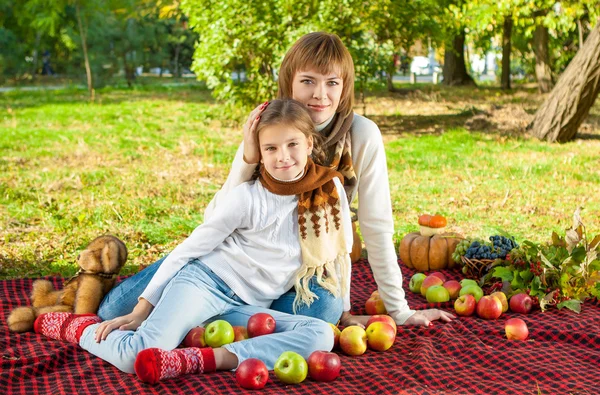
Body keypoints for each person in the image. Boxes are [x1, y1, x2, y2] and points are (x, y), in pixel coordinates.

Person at [97, 31, 454, 328]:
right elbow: (215, 220)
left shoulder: (362, 134)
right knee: (112, 311)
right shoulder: (269, 127)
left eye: (332, 82)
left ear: (344, 87)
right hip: (236, 262)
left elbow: (377, 226)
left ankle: (206, 318)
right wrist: (248, 159)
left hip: (304, 269)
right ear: (289, 83)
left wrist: (398, 309)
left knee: (324, 312)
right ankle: (222, 314)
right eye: (308, 81)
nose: (320, 94)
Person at [33, 99, 359, 384]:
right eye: (270, 148)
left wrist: (344, 311)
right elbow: (188, 251)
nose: (283, 156)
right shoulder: (246, 199)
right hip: (203, 284)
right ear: (258, 152)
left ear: (309, 143)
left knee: (318, 334)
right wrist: (141, 310)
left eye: (292, 145)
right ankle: (77, 329)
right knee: (139, 356)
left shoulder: (328, 190)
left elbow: (341, 253)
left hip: (248, 307)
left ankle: (200, 360)